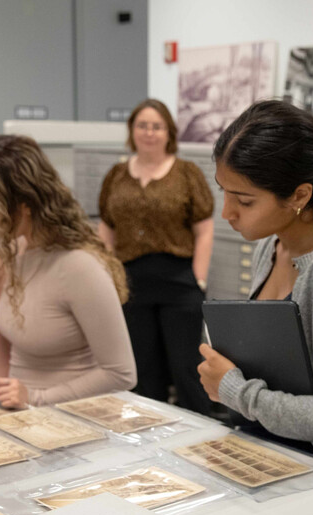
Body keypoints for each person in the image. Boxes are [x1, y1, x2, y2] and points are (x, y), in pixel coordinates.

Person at [196, 100, 313, 477]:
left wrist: (237, 392)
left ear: (299, 196)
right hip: (265, 458)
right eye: (224, 192)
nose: (227, 212)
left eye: (244, 200)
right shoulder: (272, 245)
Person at [0, 135, 136, 408]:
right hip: (24, 414)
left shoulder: (80, 266)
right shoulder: (14, 252)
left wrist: (36, 398)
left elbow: (121, 374)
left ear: (25, 203)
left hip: (71, 418)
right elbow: (27, 336)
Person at [97, 98, 214, 415]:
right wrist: (109, 273)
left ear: (168, 133)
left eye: (157, 126)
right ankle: (152, 432)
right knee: (144, 369)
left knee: (186, 367)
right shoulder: (117, 175)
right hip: (131, 283)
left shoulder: (186, 173)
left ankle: (203, 434)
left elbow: (204, 230)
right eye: (143, 126)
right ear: (132, 131)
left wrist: (199, 278)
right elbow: (106, 228)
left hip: (178, 280)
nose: (149, 133)